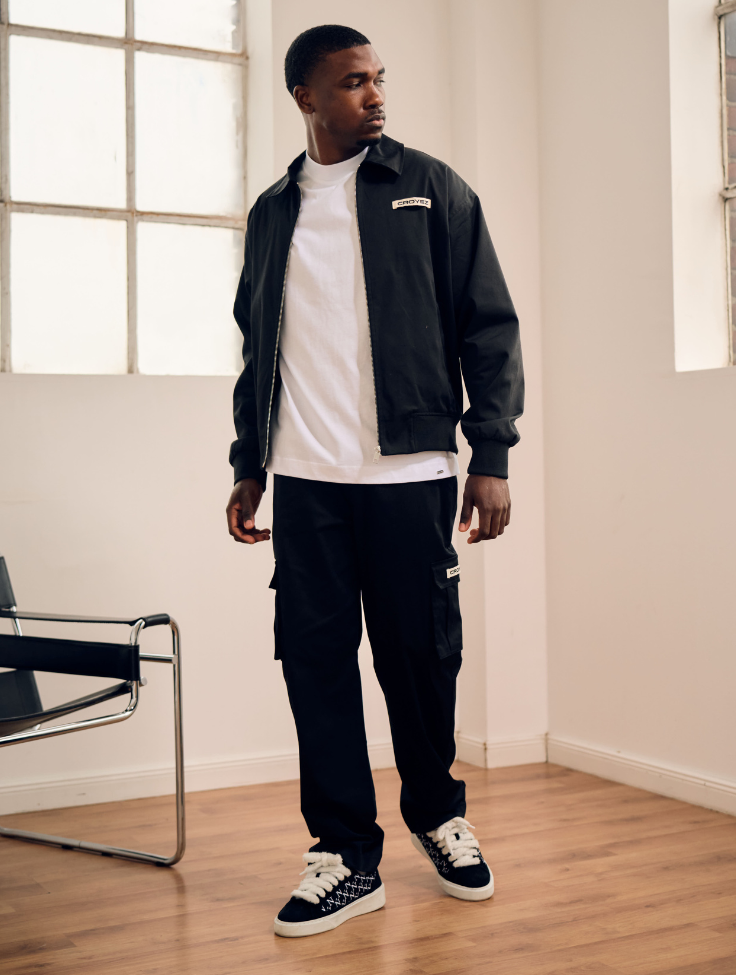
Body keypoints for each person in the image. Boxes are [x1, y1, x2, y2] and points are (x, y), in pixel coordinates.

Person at [226, 24, 523, 938]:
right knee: (315, 665)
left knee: (421, 658)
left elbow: (489, 326)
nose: (376, 95)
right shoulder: (273, 213)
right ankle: (346, 854)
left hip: (411, 470)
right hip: (305, 479)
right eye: (354, 82)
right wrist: (248, 463)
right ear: (306, 97)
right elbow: (257, 350)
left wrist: (491, 454)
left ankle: (437, 813)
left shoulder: (432, 189)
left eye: (379, 78)